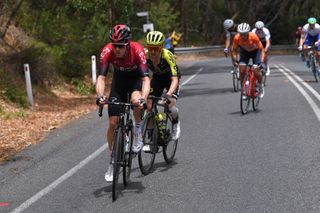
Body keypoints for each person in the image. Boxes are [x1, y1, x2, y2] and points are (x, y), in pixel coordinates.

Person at [96, 24, 150, 182]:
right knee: (113, 122)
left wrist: (143, 99)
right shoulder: (107, 51)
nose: (117, 49)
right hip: (118, 84)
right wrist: (100, 95)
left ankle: (138, 129)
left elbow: (146, 79)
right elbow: (101, 78)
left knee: (135, 101)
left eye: (120, 46)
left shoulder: (138, 50)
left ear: (128, 45)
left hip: (135, 82)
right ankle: (113, 161)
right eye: (115, 45)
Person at [144, 30, 181, 144]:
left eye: (156, 48)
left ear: (162, 47)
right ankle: (151, 136)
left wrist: (169, 94)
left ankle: (175, 121)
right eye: (151, 48)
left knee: (168, 104)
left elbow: (175, 79)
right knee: (149, 105)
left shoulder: (167, 55)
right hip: (158, 79)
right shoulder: (145, 56)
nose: (153, 51)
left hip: (171, 79)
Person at [231, 22, 266, 98]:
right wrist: (235, 60)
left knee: (256, 69)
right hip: (244, 52)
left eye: (244, 34)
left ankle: (261, 86)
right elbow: (234, 50)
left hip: (255, 52)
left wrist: (262, 62)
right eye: (241, 34)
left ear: (248, 33)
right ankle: (243, 91)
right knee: (242, 70)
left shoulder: (253, 37)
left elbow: (262, 49)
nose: (242, 36)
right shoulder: (237, 38)